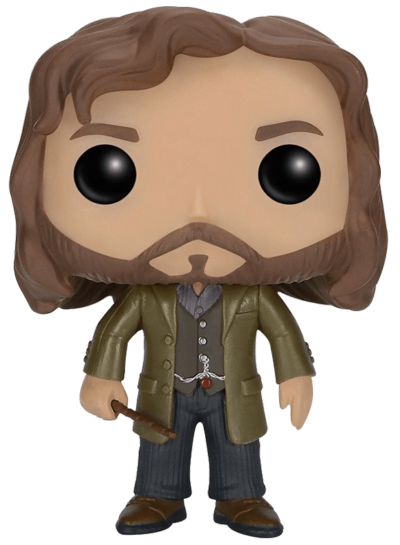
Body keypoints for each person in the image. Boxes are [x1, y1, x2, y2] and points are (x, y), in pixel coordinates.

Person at [9, 7, 387, 539]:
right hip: (166, 390)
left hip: (233, 389)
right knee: (161, 446)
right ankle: (157, 496)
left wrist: (296, 374)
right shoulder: (147, 297)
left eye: (287, 170)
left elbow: (282, 332)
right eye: (108, 172)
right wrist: (101, 376)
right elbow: (114, 332)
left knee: (238, 444)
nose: (198, 213)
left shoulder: (252, 297)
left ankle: (241, 498)